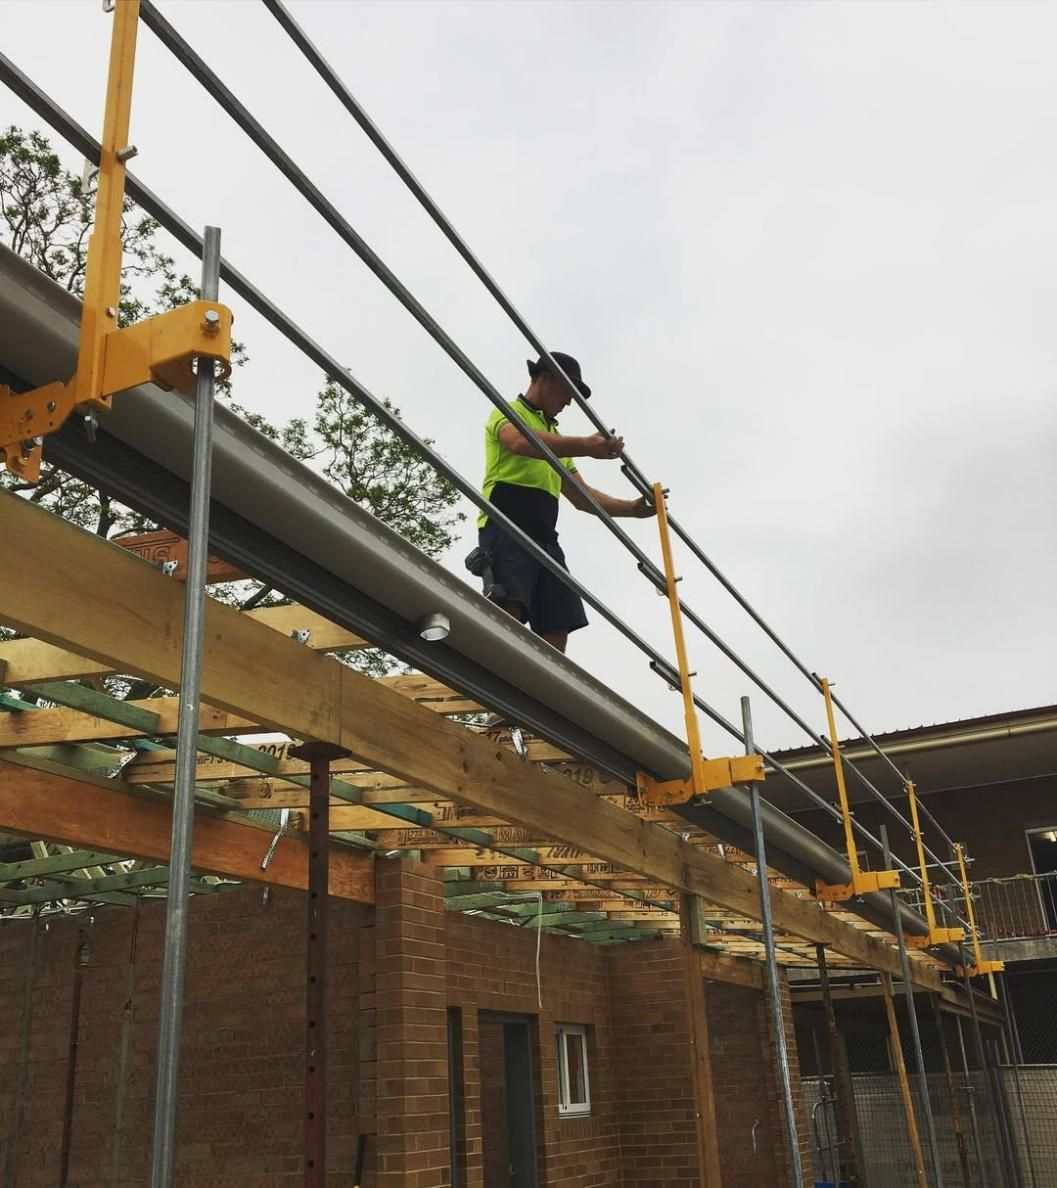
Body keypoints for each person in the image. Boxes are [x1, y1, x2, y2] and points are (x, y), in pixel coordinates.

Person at [477, 351, 654, 653]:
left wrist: (632, 509)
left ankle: (540, 694)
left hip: (545, 535)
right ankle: (499, 684)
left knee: (557, 623)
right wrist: (586, 445)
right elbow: (519, 442)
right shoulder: (508, 411)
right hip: (506, 523)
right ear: (546, 379)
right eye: (567, 392)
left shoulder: (555, 437)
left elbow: (580, 496)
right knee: (510, 608)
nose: (569, 402)